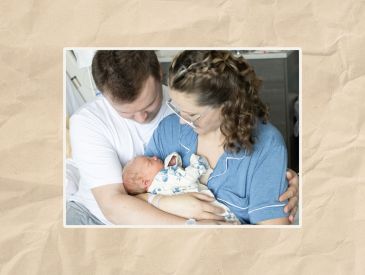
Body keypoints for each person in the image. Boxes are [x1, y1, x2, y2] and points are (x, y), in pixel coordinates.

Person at [66, 50, 299, 225]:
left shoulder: (184, 102)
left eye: (149, 104)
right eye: (126, 112)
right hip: (97, 217)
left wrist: (286, 180)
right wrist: (179, 215)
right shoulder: (89, 122)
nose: (140, 118)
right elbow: (116, 204)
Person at [145, 50, 294, 224]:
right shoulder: (169, 131)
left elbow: (274, 238)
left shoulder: (267, 147)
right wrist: (165, 202)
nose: (181, 121)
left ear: (226, 106)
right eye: (177, 107)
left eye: (192, 115)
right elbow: (130, 195)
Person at [122, 153, 240, 223]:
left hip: (193, 216)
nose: (154, 157)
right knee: (223, 215)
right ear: (145, 182)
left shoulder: (155, 192)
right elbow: (186, 178)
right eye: (149, 162)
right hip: (203, 203)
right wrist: (198, 164)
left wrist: (173, 163)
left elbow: (174, 177)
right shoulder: (162, 178)